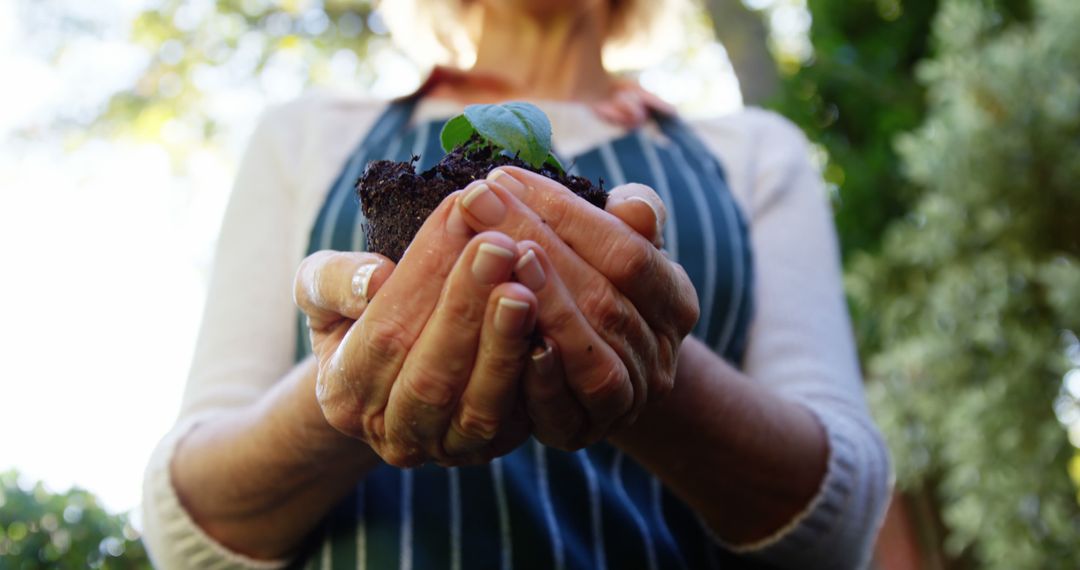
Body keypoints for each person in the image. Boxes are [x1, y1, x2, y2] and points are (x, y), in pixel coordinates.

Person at [142, 0, 893, 568]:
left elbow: (841, 517)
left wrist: (638, 358)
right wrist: (352, 380)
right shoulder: (308, 133)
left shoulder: (755, 149)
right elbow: (188, 522)